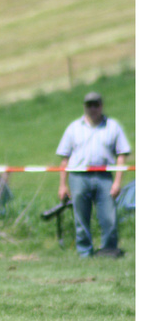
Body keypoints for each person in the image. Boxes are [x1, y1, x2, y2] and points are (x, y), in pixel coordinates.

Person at [56, 91, 131, 257]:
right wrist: (63, 185)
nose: (93, 108)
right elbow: (64, 159)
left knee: (109, 218)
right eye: (89, 105)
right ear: (85, 107)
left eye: (96, 104)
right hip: (78, 176)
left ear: (101, 106)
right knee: (81, 218)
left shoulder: (113, 126)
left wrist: (117, 181)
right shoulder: (73, 128)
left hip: (104, 176)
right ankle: (85, 252)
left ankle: (109, 251)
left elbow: (122, 155)